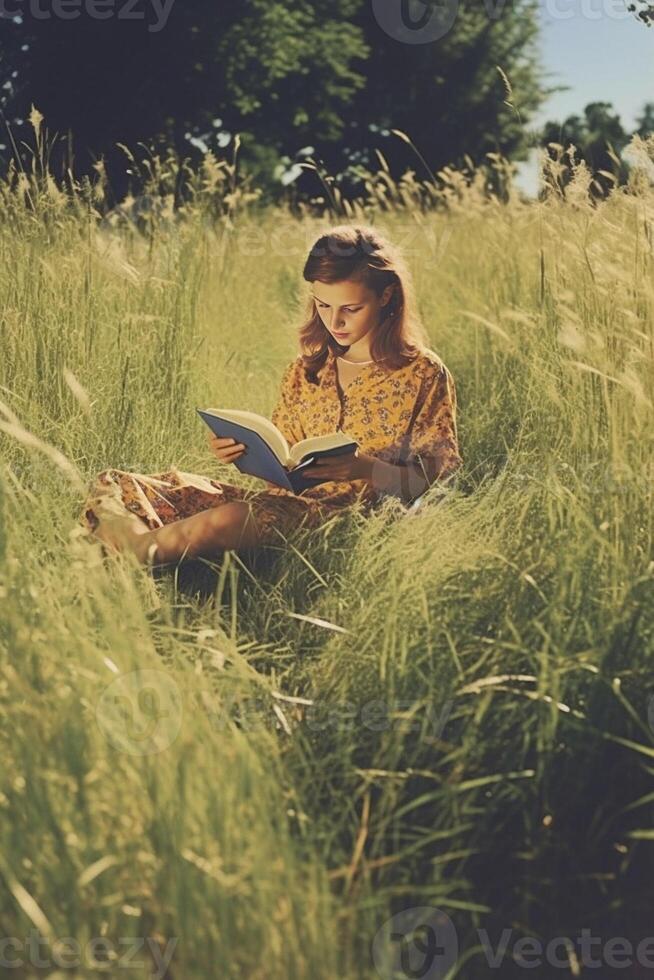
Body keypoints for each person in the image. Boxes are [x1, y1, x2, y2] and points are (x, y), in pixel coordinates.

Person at [78, 223, 463, 567]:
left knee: (231, 518)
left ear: (385, 297)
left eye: (351, 308)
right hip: (281, 510)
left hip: (352, 524)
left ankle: (128, 552)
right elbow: (282, 472)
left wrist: (364, 470)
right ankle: (136, 552)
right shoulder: (305, 370)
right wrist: (240, 455)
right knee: (119, 483)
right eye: (323, 305)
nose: (335, 322)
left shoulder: (422, 373)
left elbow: (435, 481)